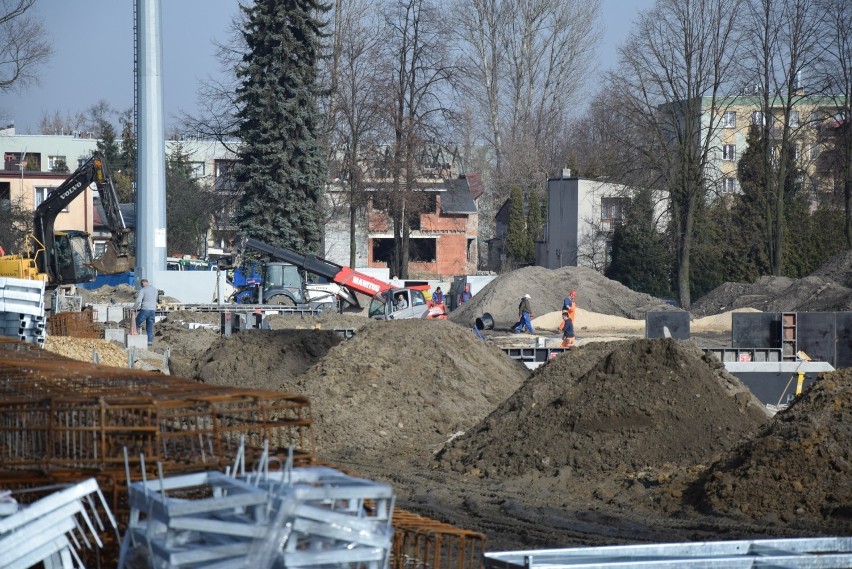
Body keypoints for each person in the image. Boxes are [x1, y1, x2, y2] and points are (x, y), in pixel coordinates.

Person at [133, 278, 158, 347]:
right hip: (152, 311)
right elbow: (156, 299)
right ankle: (149, 342)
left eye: (141, 285)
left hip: (145, 310)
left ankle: (134, 338)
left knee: (135, 323)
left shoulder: (143, 290)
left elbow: (138, 300)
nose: (141, 286)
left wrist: (133, 308)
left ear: (142, 284)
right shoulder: (155, 289)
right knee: (149, 328)